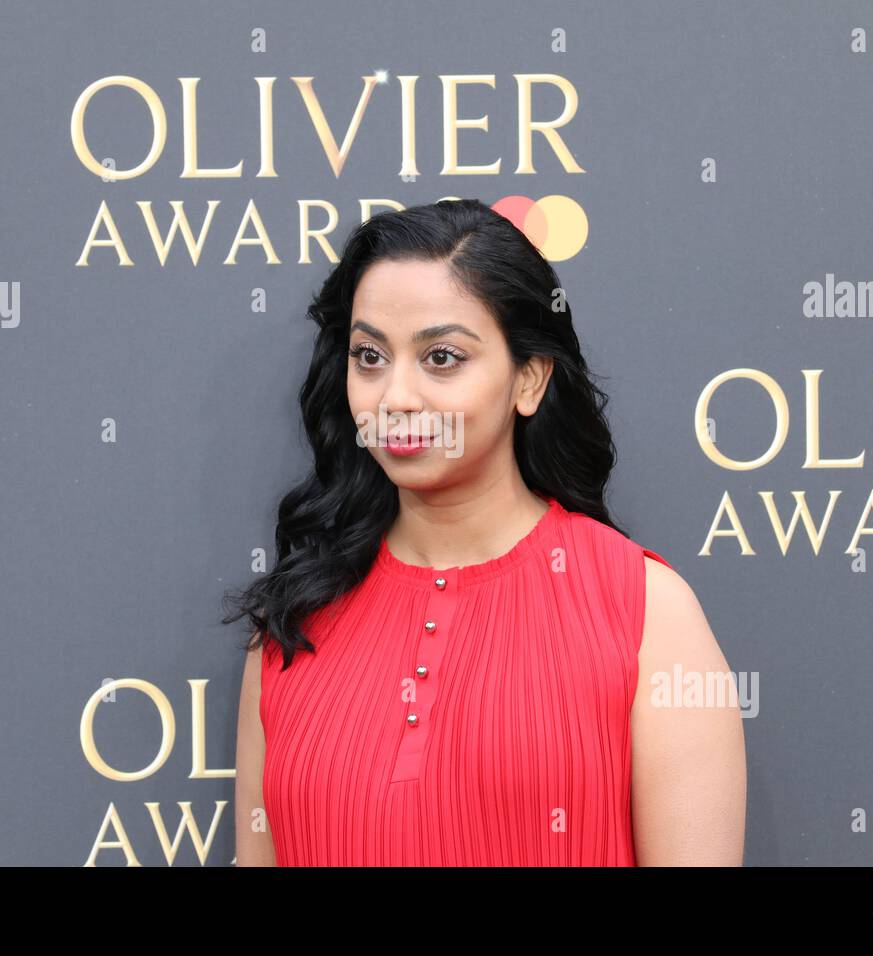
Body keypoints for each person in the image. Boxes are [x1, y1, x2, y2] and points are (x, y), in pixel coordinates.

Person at [224, 198, 745, 866]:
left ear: (529, 378)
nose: (396, 398)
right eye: (369, 356)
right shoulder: (291, 624)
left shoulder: (646, 613)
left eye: (441, 357)